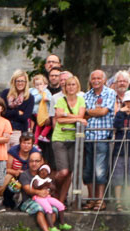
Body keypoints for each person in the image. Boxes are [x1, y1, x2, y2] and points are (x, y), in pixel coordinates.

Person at [83, 69, 117, 210]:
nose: (96, 80)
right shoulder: (86, 95)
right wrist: (92, 112)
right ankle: (91, 199)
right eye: (93, 78)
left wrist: (89, 111)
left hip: (102, 137)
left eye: (99, 78)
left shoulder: (110, 93)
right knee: (88, 170)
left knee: (100, 170)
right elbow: (82, 114)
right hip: (88, 137)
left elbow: (104, 111)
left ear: (104, 80)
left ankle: (100, 200)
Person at [51, 74, 85, 204]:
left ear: (77, 86)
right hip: (60, 137)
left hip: (73, 138)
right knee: (63, 171)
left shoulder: (81, 100)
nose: (71, 87)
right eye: (68, 85)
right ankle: (52, 186)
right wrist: (75, 118)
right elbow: (59, 119)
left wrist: (66, 115)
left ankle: (60, 200)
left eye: (73, 84)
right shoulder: (60, 100)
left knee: (69, 172)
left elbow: (81, 115)